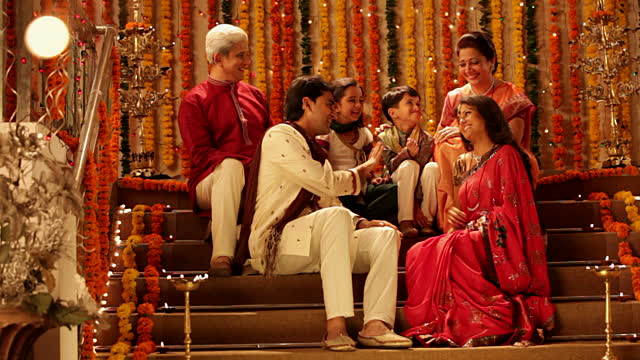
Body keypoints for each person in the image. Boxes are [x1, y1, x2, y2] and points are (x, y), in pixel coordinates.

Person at [234, 76, 411, 351]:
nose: (334, 111)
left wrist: (363, 222)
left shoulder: (311, 145)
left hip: (313, 241)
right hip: (277, 243)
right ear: (307, 103)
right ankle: (336, 327)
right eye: (329, 104)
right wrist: (363, 170)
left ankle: (376, 324)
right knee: (336, 218)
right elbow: (324, 183)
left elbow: (327, 199)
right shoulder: (279, 136)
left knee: (384, 235)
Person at [403, 95, 555, 347]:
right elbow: (460, 211)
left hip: (499, 240)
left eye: (468, 114)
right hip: (473, 234)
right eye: (458, 115)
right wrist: (454, 215)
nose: (461, 120)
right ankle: (448, 320)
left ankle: (486, 319)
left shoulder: (507, 155)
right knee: (420, 250)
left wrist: (483, 224)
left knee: (450, 248)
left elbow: (513, 209)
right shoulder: (463, 162)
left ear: (488, 118)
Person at [177, 24, 272, 277]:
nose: (247, 61)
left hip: (256, 180)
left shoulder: (256, 95)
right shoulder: (194, 101)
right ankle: (222, 257)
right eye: (241, 55)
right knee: (231, 167)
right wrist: (244, 163)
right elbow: (201, 156)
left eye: (247, 54)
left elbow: (272, 140)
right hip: (210, 182)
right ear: (218, 58)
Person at [435, 31, 538, 233]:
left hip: (501, 159)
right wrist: (458, 135)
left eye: (474, 62)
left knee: (457, 145)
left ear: (491, 61)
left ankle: (482, 218)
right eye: (463, 64)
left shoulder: (511, 95)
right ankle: (456, 216)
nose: (468, 69)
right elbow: (441, 136)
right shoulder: (455, 97)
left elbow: (512, 140)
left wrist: (463, 133)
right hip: (463, 159)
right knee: (447, 146)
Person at [316, 78, 398, 221]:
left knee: (395, 191)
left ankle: (361, 219)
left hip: (363, 190)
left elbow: (369, 164)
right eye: (352, 100)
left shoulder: (363, 133)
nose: (358, 105)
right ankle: (360, 219)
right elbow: (320, 171)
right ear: (336, 105)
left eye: (361, 101)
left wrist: (373, 179)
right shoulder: (326, 134)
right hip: (340, 190)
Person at [378, 86, 438, 237]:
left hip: (418, 186)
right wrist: (407, 153)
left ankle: (427, 221)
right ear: (393, 113)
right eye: (410, 103)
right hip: (396, 181)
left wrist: (416, 204)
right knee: (409, 165)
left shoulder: (426, 139)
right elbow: (391, 167)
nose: (416, 108)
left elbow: (422, 171)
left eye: (418, 104)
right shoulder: (385, 137)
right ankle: (405, 220)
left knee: (433, 168)